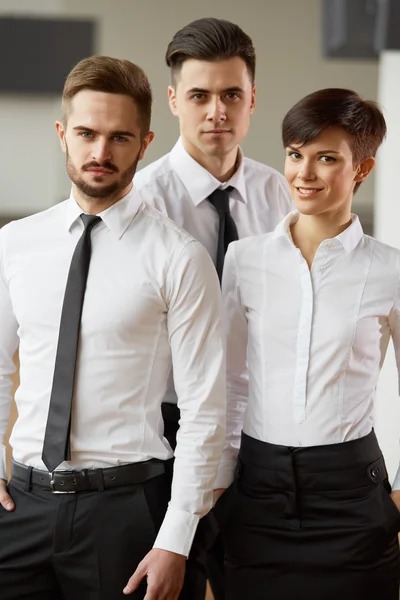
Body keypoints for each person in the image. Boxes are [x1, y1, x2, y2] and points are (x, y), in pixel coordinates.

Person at [0, 55, 226, 600]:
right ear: (62, 134)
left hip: (124, 513)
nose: (100, 153)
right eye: (86, 133)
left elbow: (205, 410)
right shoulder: (15, 244)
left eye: (119, 137)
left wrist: (176, 539)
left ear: (145, 143)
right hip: (20, 508)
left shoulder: (179, 257)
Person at [216, 88, 400, 600]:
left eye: (326, 158)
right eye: (296, 154)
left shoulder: (390, 270)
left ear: (361, 170)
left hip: (352, 495)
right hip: (256, 491)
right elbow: (230, 380)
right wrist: (222, 475)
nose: (304, 173)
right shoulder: (244, 259)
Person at [134, 18, 293, 600]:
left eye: (231, 95)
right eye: (199, 95)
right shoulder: (141, 203)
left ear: (253, 99)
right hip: (170, 426)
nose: (217, 111)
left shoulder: (284, 196)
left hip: (265, 428)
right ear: (174, 100)